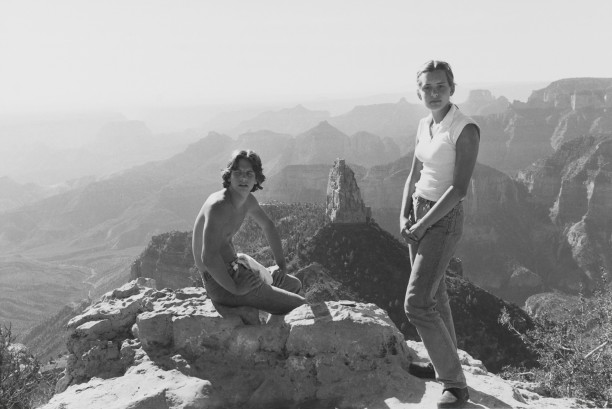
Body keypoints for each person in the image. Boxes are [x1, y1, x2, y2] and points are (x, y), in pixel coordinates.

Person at [400, 60, 480, 408]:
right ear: (420, 91)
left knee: (417, 303)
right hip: (418, 211)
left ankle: (455, 385)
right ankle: (442, 365)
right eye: (427, 87)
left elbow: (459, 189)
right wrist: (405, 212)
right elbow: (413, 172)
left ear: (452, 88)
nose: (434, 93)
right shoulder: (424, 124)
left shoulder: (464, 129)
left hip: (442, 219)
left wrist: (423, 224)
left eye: (440, 87)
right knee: (436, 296)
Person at [192, 149, 306, 316]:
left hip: (238, 268)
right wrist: (236, 289)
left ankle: (267, 321)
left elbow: (268, 226)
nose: (243, 178)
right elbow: (208, 258)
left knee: (293, 284)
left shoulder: (247, 201)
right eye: (238, 172)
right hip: (220, 282)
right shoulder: (219, 206)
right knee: (302, 306)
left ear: (256, 178)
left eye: (249, 173)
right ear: (229, 176)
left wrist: (281, 266)